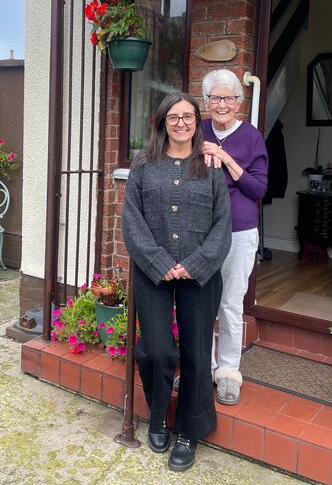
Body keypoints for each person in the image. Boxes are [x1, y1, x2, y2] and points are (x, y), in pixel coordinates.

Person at [122, 92, 232, 472]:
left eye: (188, 117)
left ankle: (189, 432)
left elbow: (223, 223)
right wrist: (159, 261)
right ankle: (157, 416)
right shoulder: (143, 164)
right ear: (162, 122)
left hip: (198, 276)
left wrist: (195, 264)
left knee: (197, 355)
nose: (181, 123)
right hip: (154, 272)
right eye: (174, 117)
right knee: (155, 350)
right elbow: (131, 219)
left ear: (196, 122)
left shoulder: (211, 164)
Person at [202, 69, 269, 406]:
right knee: (200, 302)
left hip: (239, 231)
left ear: (240, 103)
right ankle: (204, 367)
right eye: (216, 97)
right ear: (206, 102)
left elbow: (258, 188)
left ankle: (228, 372)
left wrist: (226, 158)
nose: (222, 103)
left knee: (229, 305)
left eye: (229, 97)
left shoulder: (251, 137)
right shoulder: (196, 130)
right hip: (201, 230)